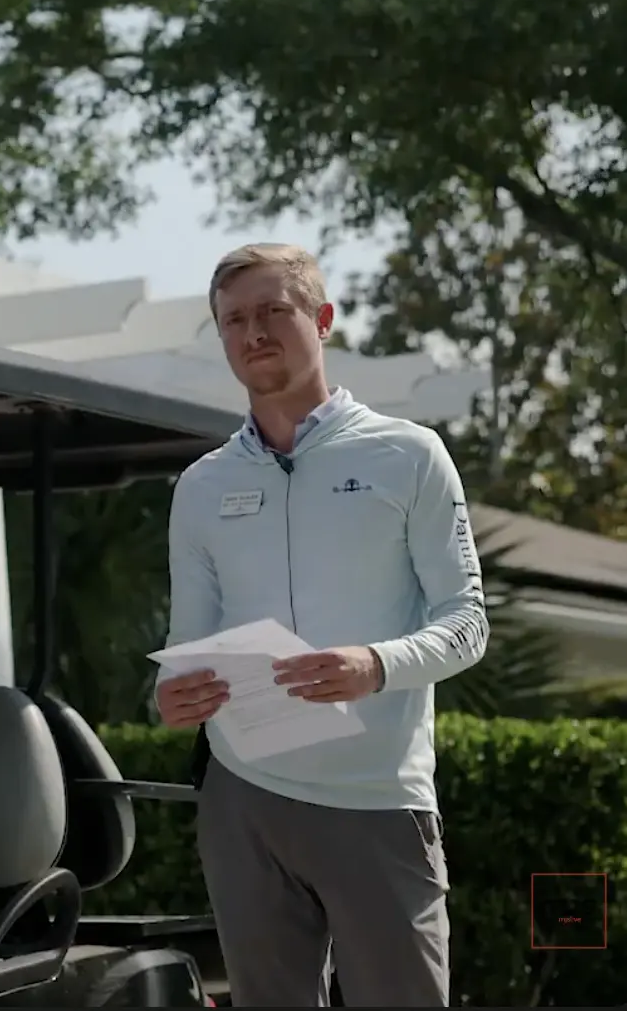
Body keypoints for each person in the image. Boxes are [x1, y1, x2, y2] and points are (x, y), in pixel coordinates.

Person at [154, 242, 488, 1007]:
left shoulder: (408, 454)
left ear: (323, 319)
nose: (254, 333)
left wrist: (375, 664)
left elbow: (466, 621)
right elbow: (186, 650)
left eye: (274, 311)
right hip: (242, 800)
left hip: (375, 798)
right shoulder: (200, 487)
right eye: (233, 319)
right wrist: (171, 697)